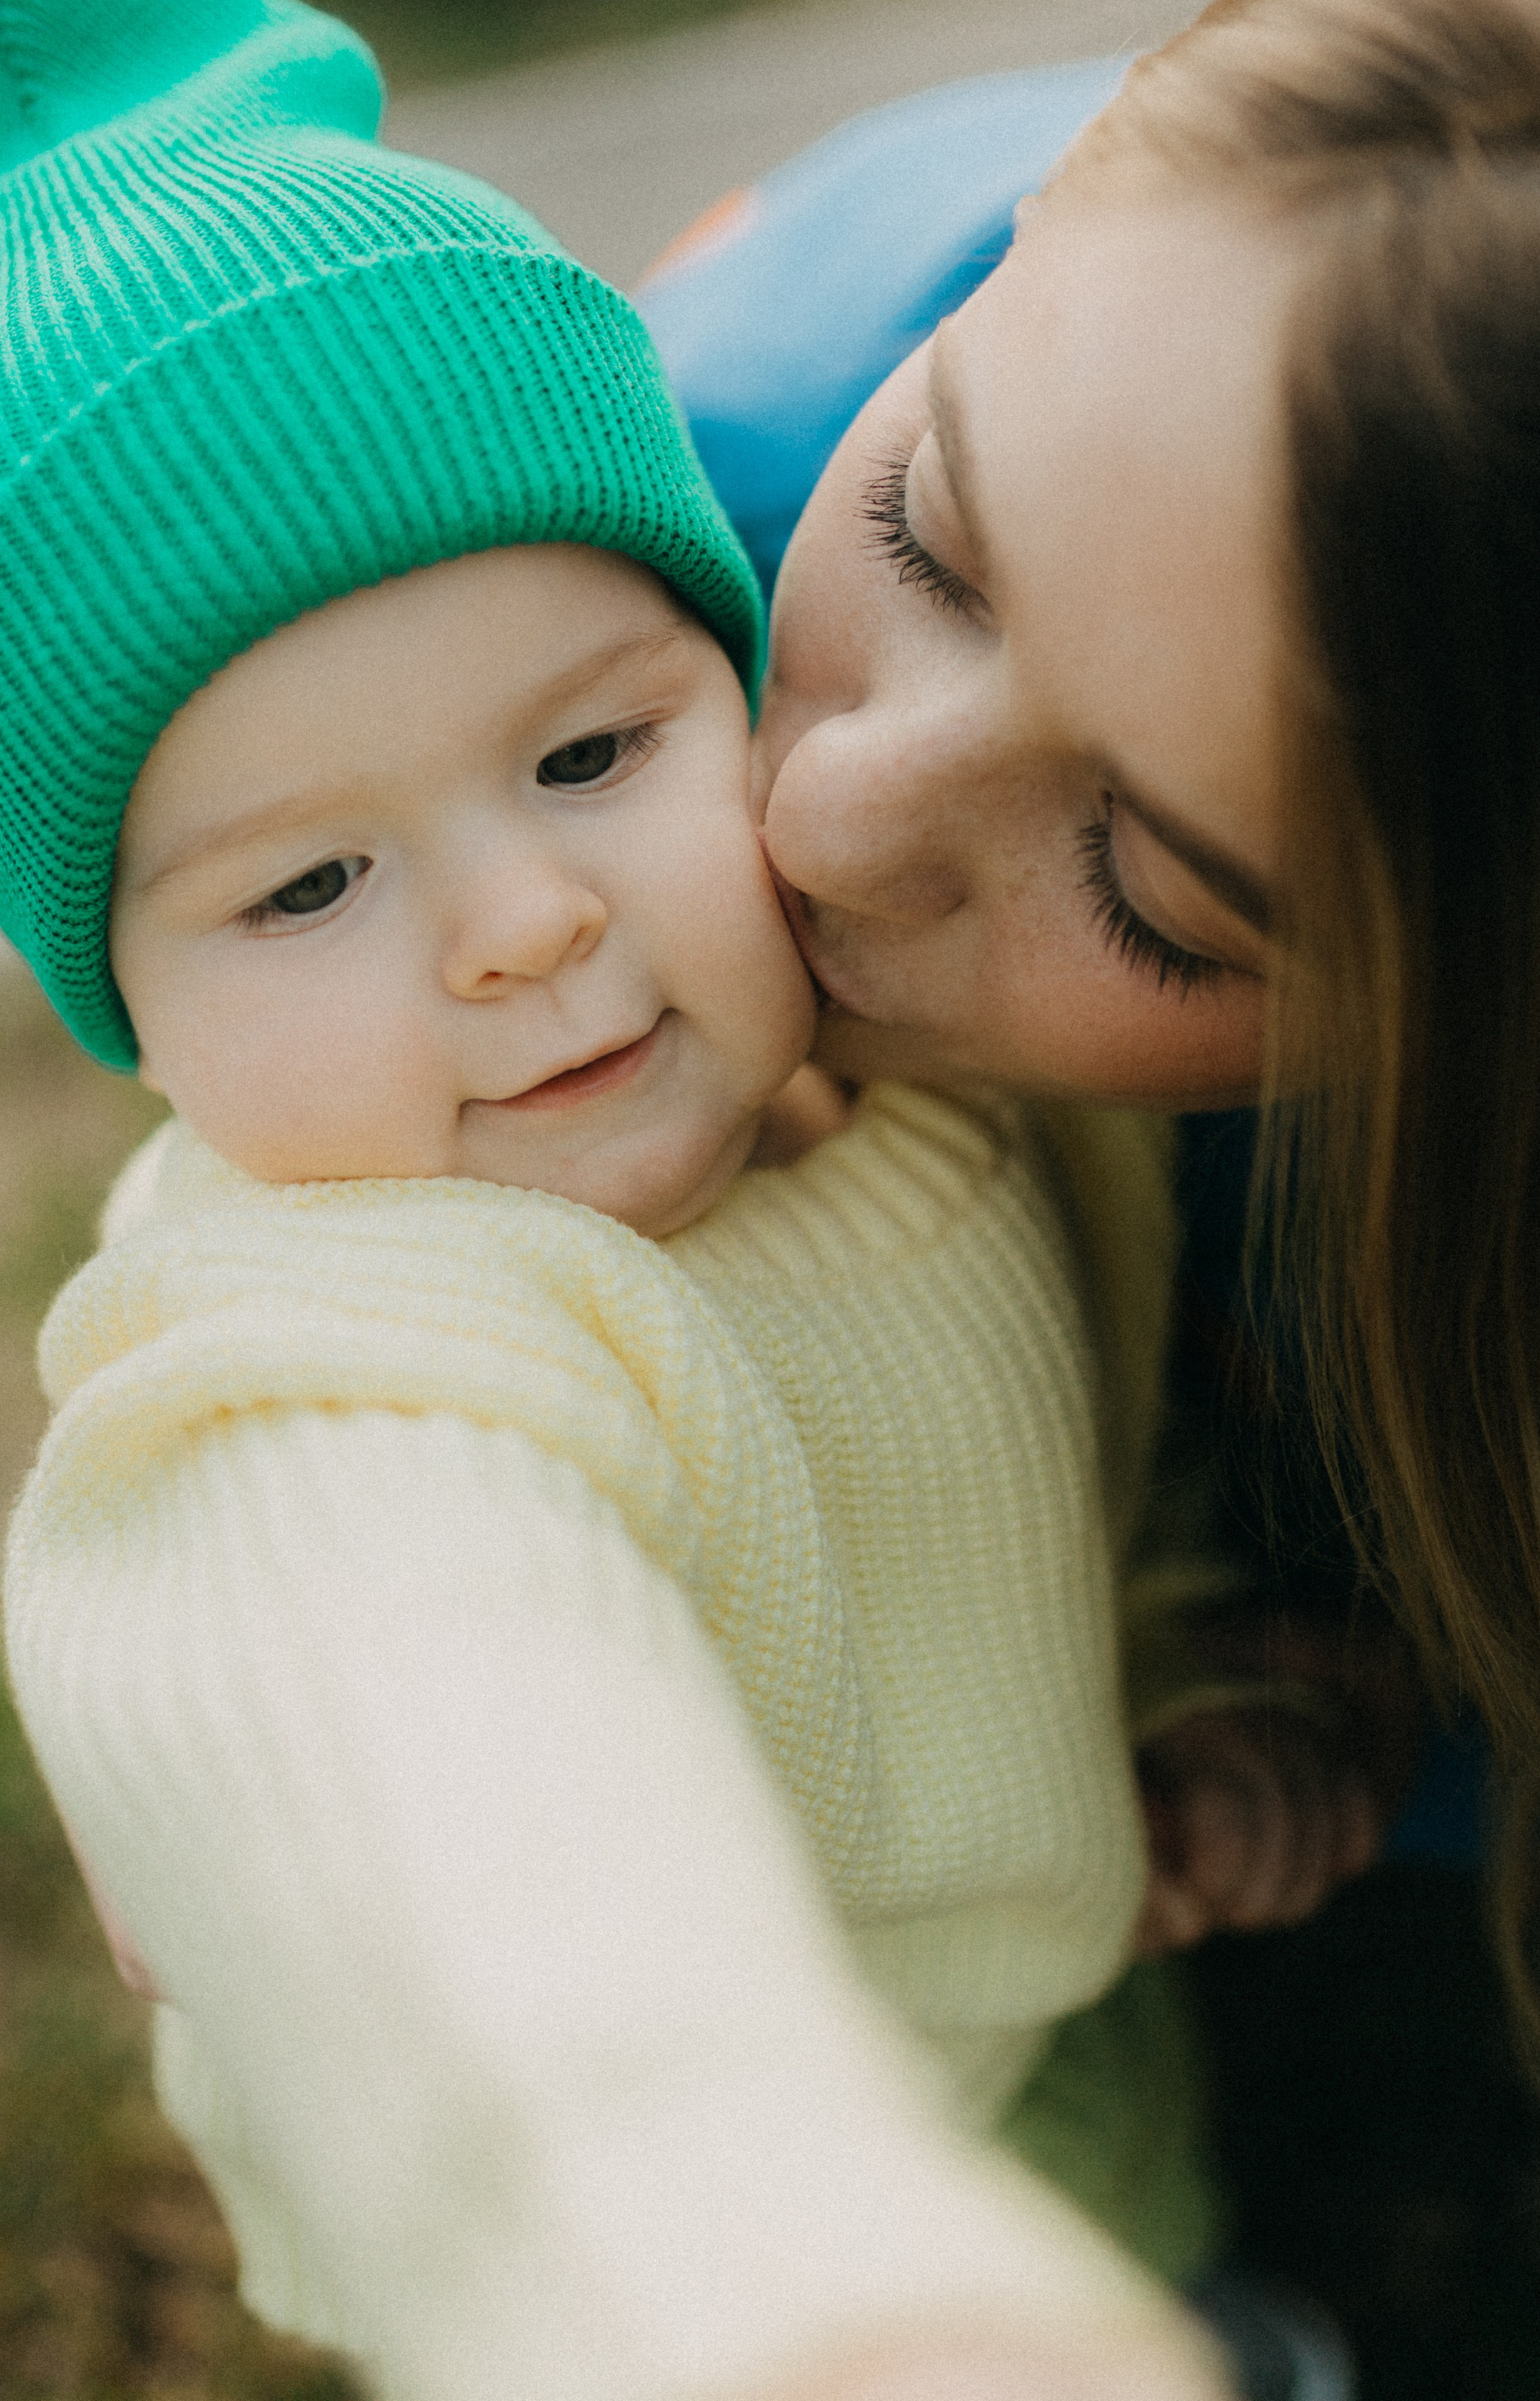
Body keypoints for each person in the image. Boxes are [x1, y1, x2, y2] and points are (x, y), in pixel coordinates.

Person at [0, 3, 1359, 2397]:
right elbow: (452, 1799)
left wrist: (1206, 1675)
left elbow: (1048, 1463)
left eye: (596, 749)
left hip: (1059, 2058)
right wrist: (791, 2299)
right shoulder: (341, 1360)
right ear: (125, 1023)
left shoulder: (924, 1072)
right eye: (305, 891)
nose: (522, 920)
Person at [641, 0, 1540, 2046]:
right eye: (925, 538)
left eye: (1153, 896)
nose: (824, 817)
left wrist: (1356, 1709)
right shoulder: (674, 472)